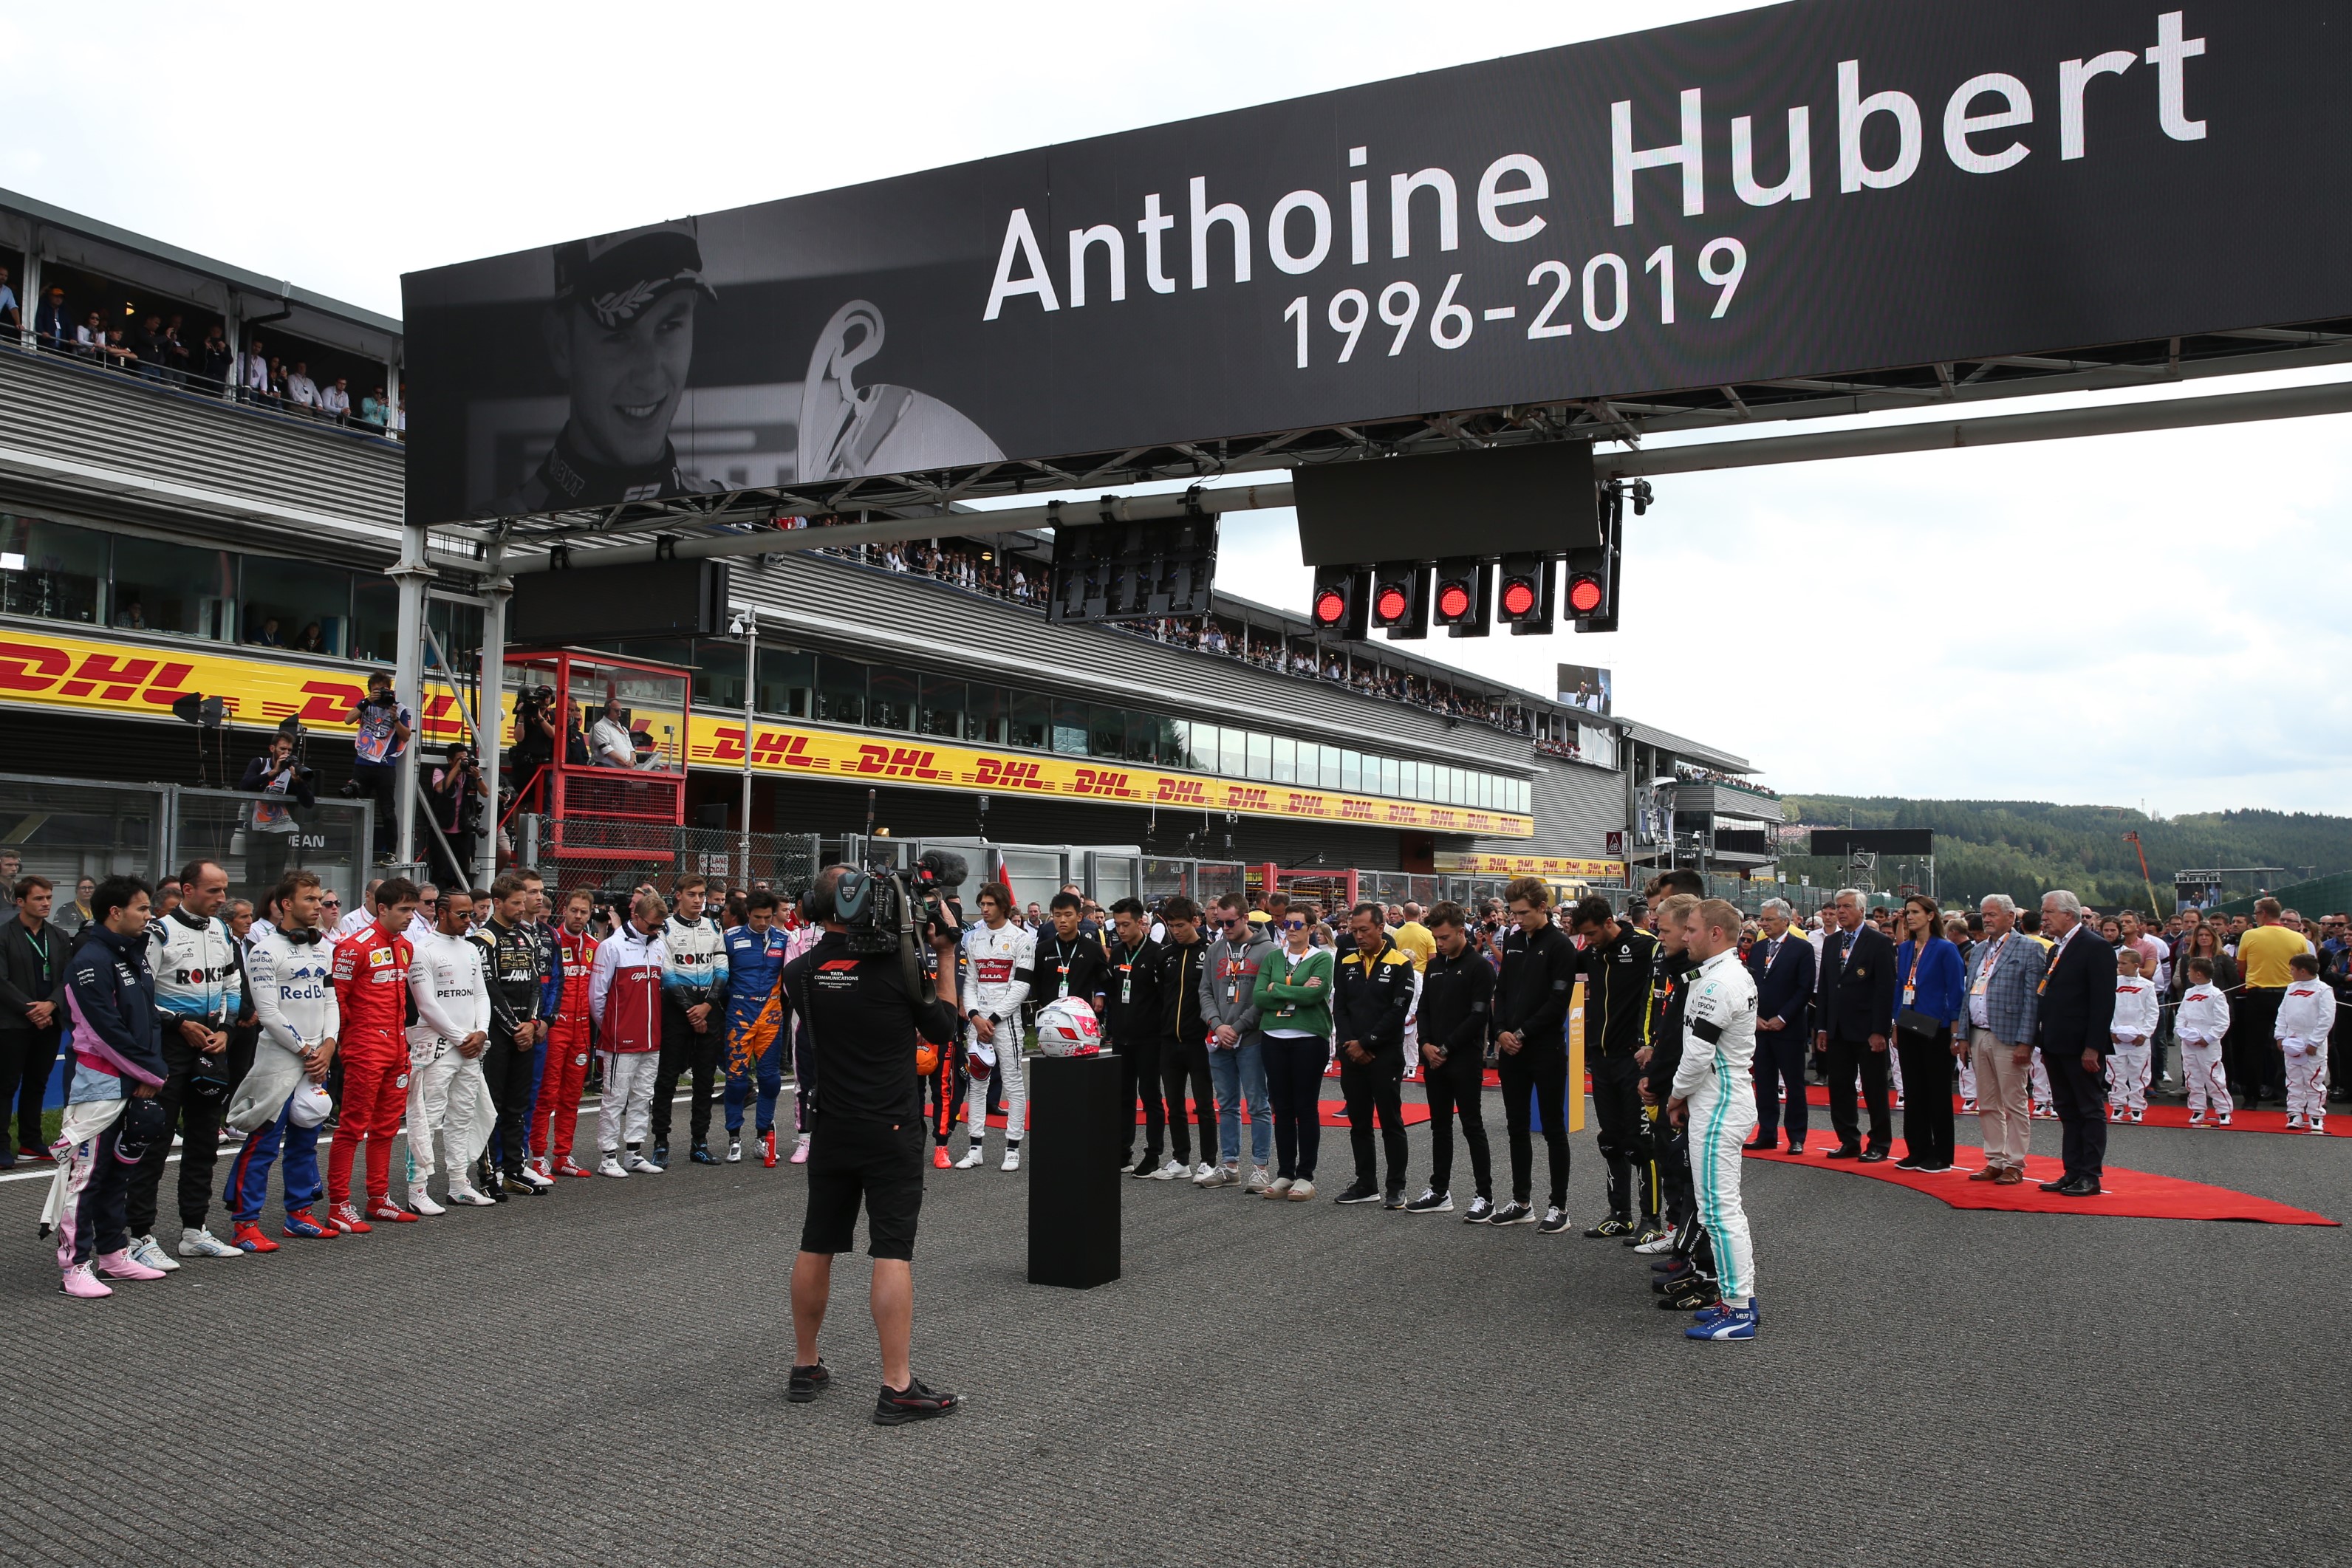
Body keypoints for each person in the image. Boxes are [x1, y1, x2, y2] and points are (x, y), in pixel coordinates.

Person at [780, 864, 960, 1426]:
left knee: (818, 1241)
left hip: (831, 1123)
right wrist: (947, 955)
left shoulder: (799, 972)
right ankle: (897, 1384)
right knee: (892, 1250)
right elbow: (943, 1027)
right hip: (890, 1127)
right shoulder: (895, 969)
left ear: (816, 905)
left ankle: (805, 1365)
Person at [494, 219, 723, 513]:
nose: (649, 376)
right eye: (618, 335)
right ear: (561, 344)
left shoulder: (739, 520)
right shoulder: (495, 536)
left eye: (669, 326)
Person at [52, 876, 171, 1299]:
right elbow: (103, 1032)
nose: (149, 915)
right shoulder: (89, 959)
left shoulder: (135, 954)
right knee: (86, 1177)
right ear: (115, 912)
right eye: (142, 908)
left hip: (135, 1080)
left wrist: (149, 1072)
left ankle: (113, 1253)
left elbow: (149, 1020)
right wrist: (148, 1074)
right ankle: (75, 1266)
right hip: (99, 1085)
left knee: (120, 1172)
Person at [124, 860, 245, 1269]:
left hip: (211, 1044)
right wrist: (177, 1023)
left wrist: (227, 1028)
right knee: (156, 1143)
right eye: (214, 891)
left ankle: (194, 1231)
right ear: (188, 889)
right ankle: (140, 1235)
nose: (222, 899)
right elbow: (140, 992)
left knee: (204, 1142)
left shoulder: (223, 930)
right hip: (171, 1046)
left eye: (224, 890)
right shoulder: (158, 931)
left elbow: (232, 984)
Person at [222, 872, 339, 1251]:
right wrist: (307, 1052)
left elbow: (330, 1002)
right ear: (286, 904)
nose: (317, 906)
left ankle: (299, 1214)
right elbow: (268, 1013)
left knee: (306, 1140)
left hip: (316, 1059)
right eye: (309, 899)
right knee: (264, 1143)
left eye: (319, 899)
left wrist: (329, 1046)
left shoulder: (323, 948)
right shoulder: (264, 950)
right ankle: (245, 1223)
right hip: (280, 1059)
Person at [1672, 900, 1763, 1341]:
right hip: (1720, 1100)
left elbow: (1698, 1055)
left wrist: (1675, 1096)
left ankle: (1739, 1308)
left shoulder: (1718, 983)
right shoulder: (1720, 975)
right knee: (1719, 1209)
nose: (1683, 936)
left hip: (1720, 1104)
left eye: (1690, 929)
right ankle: (1738, 1298)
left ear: (1714, 934)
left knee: (1719, 1211)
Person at [327, 877, 419, 1230]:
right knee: (352, 1126)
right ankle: (338, 1204)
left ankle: (378, 1198)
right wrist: (347, 1044)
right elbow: (339, 1002)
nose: (411, 916)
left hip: (398, 1047)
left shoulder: (407, 946)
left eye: (413, 909)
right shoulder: (353, 947)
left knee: (386, 1127)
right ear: (382, 908)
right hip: (365, 1048)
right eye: (405, 910)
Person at [1566, 893, 1660, 1236]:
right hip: (1601, 1058)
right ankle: (1619, 1213)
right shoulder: (1592, 952)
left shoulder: (1644, 945)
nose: (1588, 941)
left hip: (1633, 1058)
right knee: (1610, 1139)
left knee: (1641, 1142)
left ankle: (1652, 1219)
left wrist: (1653, 1044)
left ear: (1609, 923)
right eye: (1584, 936)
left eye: (1591, 933)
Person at [1490, 877, 1578, 1232]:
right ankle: (1521, 1200)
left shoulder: (1560, 946)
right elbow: (1503, 991)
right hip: (1511, 1048)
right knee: (1516, 1126)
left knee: (1554, 1128)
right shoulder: (1512, 940)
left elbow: (1558, 1002)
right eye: (1513, 913)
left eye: (1523, 913)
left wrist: (1522, 1033)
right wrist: (1500, 1032)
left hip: (1545, 1048)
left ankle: (1559, 1206)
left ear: (1543, 908)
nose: (1517, 920)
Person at [406, 887, 494, 1211]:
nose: (469, 920)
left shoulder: (471, 949)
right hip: (438, 1048)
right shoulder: (422, 949)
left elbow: (481, 995)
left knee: (465, 1116)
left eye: (471, 913)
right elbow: (426, 1005)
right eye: (462, 914)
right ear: (442, 913)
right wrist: (461, 1037)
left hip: (470, 1048)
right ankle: (417, 1190)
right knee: (426, 1118)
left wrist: (481, 1032)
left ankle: (459, 1183)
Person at [465, 872, 552, 1198]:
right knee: (492, 1105)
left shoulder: (526, 937)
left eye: (523, 901)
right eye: (516, 902)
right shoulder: (483, 939)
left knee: (518, 1104)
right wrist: (514, 1028)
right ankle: (488, 1174)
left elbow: (535, 985)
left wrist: (532, 1022)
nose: (523, 907)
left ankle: (514, 1170)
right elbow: (488, 989)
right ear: (497, 903)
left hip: (524, 1032)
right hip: (498, 1035)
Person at [1404, 902, 1490, 1217]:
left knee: (1472, 1125)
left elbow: (1478, 1016)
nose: (1439, 944)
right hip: (1434, 1056)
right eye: (1435, 938)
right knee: (1439, 1126)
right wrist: (1425, 1043)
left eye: (1443, 937)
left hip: (1463, 1057)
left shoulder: (1479, 966)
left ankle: (1485, 1195)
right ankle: (1440, 1190)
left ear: (1460, 931)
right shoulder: (1436, 964)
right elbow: (1424, 1007)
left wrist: (1446, 1048)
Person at [1327, 903, 1415, 1208]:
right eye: (1354, 931)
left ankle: (1396, 1186)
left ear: (1381, 928)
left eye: (1364, 930)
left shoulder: (1400, 962)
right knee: (1359, 1122)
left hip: (1385, 1054)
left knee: (1391, 1121)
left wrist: (1367, 1042)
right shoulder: (1347, 960)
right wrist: (1352, 1043)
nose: (1359, 936)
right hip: (1352, 1054)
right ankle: (1366, 1183)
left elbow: (1398, 1010)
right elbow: (1340, 1007)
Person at [2036, 891, 2117, 1197]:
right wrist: (2042, 1043)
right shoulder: (2056, 949)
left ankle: (2090, 1174)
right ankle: (2071, 1171)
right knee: (2067, 1110)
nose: (2043, 917)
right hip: (2056, 1042)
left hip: (2081, 1045)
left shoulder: (2095, 947)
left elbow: (2102, 1002)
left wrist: (2093, 1046)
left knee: (2088, 1109)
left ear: (2068, 915)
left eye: (2049, 912)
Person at [1964, 894, 2046, 1184]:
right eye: (1984, 915)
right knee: (1986, 1103)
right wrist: (1962, 1035)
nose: (1986, 919)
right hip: (1978, 1033)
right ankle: (1995, 1159)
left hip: (2009, 1036)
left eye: (1993, 914)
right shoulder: (1977, 952)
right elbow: (1968, 995)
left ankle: (2016, 1163)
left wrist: (2027, 1041)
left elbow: (2033, 999)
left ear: (2011, 918)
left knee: (2014, 1103)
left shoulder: (2029, 948)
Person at [1252, 905, 1333, 1202]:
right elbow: (1259, 996)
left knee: (1306, 1107)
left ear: (1312, 928)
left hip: (1309, 1038)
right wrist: (1295, 988)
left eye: (1298, 923)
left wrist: (1279, 988)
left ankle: (1305, 1175)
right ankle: (1285, 1171)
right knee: (1282, 1107)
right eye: (1286, 922)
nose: (1291, 928)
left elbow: (1316, 994)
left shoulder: (1321, 958)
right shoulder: (1274, 957)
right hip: (1274, 1035)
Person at [955, 884, 1035, 1172]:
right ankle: (975, 1148)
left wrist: (995, 1018)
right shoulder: (971, 939)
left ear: (1003, 906)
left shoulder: (1022, 939)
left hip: (1007, 1022)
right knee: (977, 1085)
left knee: (1013, 1083)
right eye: (982, 903)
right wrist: (976, 1017)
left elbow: (1021, 985)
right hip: (978, 1023)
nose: (984, 908)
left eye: (990, 903)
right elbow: (970, 982)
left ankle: (1012, 1148)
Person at [1199, 891, 1274, 1191]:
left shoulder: (1268, 951)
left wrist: (1238, 1027)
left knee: (1257, 1103)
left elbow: (1265, 995)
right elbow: (1205, 991)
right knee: (1227, 1104)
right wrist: (1217, 1026)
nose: (1225, 928)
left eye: (1230, 922)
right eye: (1220, 923)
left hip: (1251, 1038)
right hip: (1219, 1039)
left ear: (1246, 917)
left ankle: (1260, 1167)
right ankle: (1230, 1165)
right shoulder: (1216, 949)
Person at [589, 891, 668, 1176]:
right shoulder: (611, 947)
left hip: (652, 1038)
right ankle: (607, 1155)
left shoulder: (660, 945)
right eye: (651, 925)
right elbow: (597, 997)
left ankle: (634, 1152)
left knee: (643, 1096)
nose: (656, 930)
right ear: (635, 917)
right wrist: (613, 1027)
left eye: (660, 925)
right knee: (615, 1097)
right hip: (620, 1039)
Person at [1815, 888, 1897, 1163]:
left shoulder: (1878, 943)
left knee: (1874, 1088)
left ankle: (1880, 1142)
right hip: (1837, 1028)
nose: (1841, 911)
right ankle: (1848, 1139)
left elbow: (1885, 990)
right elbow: (1825, 987)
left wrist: (1879, 1030)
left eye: (1847, 906)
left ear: (1862, 910)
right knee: (1839, 1087)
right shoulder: (1832, 942)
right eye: (1838, 906)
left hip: (1867, 1028)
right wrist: (1823, 1027)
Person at [652, 874, 728, 1165]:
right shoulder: (666, 929)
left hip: (709, 1011)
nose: (698, 900)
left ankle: (700, 1141)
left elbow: (722, 970)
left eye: (701, 895)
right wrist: (690, 1010)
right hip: (677, 1011)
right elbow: (668, 975)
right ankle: (661, 1142)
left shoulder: (714, 926)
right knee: (668, 1078)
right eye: (692, 895)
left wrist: (707, 1006)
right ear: (678, 896)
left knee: (705, 1080)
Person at [1890, 895, 1966, 1173]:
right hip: (1909, 1022)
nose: (1909, 917)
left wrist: (1956, 1030)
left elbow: (1956, 990)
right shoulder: (1907, 948)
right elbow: (1900, 987)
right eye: (1907, 913)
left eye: (1915, 912)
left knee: (1937, 1091)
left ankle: (1941, 1153)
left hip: (1937, 1025)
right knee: (1913, 1089)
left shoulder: (1945, 949)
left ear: (1930, 915)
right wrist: (1896, 1024)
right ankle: (1917, 1149)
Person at [531, 888, 601, 1178]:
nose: (578, 916)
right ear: (565, 910)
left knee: (572, 1095)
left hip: (583, 1031)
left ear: (590, 913)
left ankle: (563, 1155)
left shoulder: (595, 946)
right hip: (555, 1030)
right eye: (574, 910)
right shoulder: (550, 941)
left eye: (584, 912)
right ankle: (536, 1156)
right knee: (546, 1095)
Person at [0, 874, 69, 1166]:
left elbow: (68, 978)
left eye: (49, 897)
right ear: (20, 902)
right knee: (5, 1085)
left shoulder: (59, 936)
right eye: (39, 898)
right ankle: (2, 1145)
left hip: (49, 1021)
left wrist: (51, 1005)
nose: (46, 903)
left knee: (37, 1082)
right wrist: (32, 1010)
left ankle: (31, 1141)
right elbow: (1, 980)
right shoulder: (4, 935)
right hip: (13, 1023)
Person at [1741, 897, 1816, 1157]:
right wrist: (1756, 1017)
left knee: (1794, 1084)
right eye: (1762, 919)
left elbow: (1804, 988)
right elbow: (1750, 985)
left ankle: (1796, 1136)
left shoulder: (1801, 948)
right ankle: (1767, 1133)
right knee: (1763, 1082)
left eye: (1769, 919)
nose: (1764, 924)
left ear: (1786, 920)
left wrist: (1782, 1017)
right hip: (1761, 1028)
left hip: (1790, 1028)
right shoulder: (1758, 949)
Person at [722, 889, 791, 1166]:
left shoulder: (785, 939)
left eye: (768, 917)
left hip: (771, 1015)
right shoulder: (730, 938)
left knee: (770, 1079)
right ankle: (733, 1138)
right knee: (736, 1080)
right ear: (747, 914)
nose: (763, 922)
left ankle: (763, 1138)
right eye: (758, 917)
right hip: (740, 1014)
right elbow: (721, 977)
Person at [1150, 895, 1217, 1181]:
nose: (1176, 931)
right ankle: (1181, 1159)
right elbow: (1159, 997)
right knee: (1174, 1104)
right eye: (1171, 926)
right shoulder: (1165, 954)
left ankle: (1209, 1161)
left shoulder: (1211, 953)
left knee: (1203, 1104)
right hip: (1169, 1040)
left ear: (1196, 922)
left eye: (1181, 925)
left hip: (1198, 1041)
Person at [1100, 897, 1165, 1177]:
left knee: (1150, 1097)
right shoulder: (1116, 954)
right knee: (1123, 1097)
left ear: (1141, 922)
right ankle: (1123, 1152)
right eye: (1118, 925)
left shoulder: (1157, 954)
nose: (1122, 930)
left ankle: (1153, 1154)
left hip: (1150, 1038)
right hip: (1122, 1037)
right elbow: (1112, 989)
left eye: (1127, 924)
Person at [2234, 898, 2305, 1108]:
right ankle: (2286, 1092)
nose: (2255, 917)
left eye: (2256, 914)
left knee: (2254, 1046)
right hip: (2288, 994)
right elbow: (2304, 967)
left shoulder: (2250, 935)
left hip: (2258, 993)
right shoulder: (2297, 937)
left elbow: (2241, 966)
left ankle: (2251, 1096)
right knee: (2288, 1043)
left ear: (2263, 914)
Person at [239, 730, 315, 897]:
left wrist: (298, 782)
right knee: (254, 873)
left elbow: (308, 802)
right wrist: (272, 773)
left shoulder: (292, 770)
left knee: (275, 876)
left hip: (279, 829)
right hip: (255, 827)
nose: (286, 754)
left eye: (289, 750)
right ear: (272, 748)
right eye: (282, 749)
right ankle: (253, 910)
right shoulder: (260, 763)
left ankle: (271, 911)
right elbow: (245, 785)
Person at [349, 674, 412, 863]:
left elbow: (406, 736)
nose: (380, 694)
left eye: (383, 690)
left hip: (385, 765)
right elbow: (347, 719)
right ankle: (355, 851)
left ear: (390, 689)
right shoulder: (365, 705)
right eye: (376, 691)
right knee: (357, 806)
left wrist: (395, 719)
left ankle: (391, 852)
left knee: (387, 809)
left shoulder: (398, 708)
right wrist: (366, 702)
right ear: (370, 690)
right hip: (363, 762)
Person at [2277, 954, 2334, 1133]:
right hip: (2292, 1039)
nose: (2290, 972)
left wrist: (2315, 1042)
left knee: (2314, 1079)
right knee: (2293, 1079)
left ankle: (2316, 1116)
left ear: (2302, 971)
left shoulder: (2323, 990)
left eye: (2292, 969)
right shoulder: (2291, 988)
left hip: (2311, 1040)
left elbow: (2327, 1018)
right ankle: (2295, 1114)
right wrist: (2280, 1036)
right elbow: (2282, 1013)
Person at [2175, 956, 2233, 1128]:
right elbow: (2181, 1015)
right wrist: (2181, 1031)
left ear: (2199, 974)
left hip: (2208, 1044)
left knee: (2213, 1076)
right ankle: (2198, 1109)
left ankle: (2223, 1111)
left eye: (2190, 971)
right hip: (2189, 1042)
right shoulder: (2189, 993)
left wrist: (2208, 1038)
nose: (2187, 974)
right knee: (2192, 1076)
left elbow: (2223, 1021)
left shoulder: (2216, 994)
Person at [2107, 947, 2161, 1124]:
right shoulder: (2112, 983)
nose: (2120, 966)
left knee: (2138, 1073)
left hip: (2138, 1040)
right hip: (2116, 1038)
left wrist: (2144, 1034)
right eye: (2118, 963)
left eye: (2124, 963)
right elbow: (2107, 1009)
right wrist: (2111, 1031)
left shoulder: (2147, 986)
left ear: (2136, 965)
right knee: (2116, 1073)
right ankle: (2118, 1105)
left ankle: (2137, 1107)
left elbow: (2152, 1013)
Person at [425, 743, 487, 889]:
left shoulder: (470, 776)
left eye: (466, 759)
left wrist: (478, 777)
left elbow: (486, 793)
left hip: (462, 830)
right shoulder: (440, 771)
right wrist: (456, 770)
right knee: (440, 872)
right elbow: (440, 788)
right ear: (450, 760)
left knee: (463, 871)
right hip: (441, 829)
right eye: (460, 759)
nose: (464, 762)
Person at [589, 694, 637, 769]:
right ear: (607, 710)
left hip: (623, 770)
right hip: (607, 769)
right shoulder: (599, 727)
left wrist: (634, 761)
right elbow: (607, 751)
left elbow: (631, 749)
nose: (619, 713)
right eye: (616, 710)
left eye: (620, 711)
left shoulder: (623, 729)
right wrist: (626, 763)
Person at [1391, 902, 1435, 972]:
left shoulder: (1396, 934)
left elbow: (1393, 957)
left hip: (1402, 974)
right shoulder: (1428, 934)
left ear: (1404, 914)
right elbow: (1432, 959)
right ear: (1420, 914)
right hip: (1422, 975)